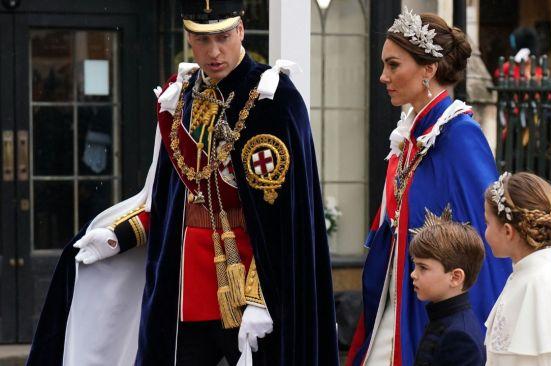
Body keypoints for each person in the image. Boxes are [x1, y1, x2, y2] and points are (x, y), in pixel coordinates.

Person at [27, 1, 339, 365]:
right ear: (189, 37)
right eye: (202, 39)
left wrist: (260, 297)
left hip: (251, 286)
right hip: (185, 284)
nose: (214, 51)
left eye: (222, 37)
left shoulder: (274, 98)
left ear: (241, 30)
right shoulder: (183, 96)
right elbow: (169, 199)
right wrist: (119, 237)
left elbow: (285, 219)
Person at [346, 7, 511, 366]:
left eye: (393, 65)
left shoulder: (459, 135)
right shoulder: (412, 134)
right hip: (397, 299)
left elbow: (486, 239)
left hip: (431, 313)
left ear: (428, 70)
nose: (383, 76)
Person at [483, 172, 551, 365]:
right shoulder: (524, 275)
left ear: (508, 231)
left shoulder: (541, 284)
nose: (484, 231)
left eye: (487, 223)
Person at [409, 206, 487, 366]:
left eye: (423, 268)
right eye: (415, 266)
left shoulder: (460, 337)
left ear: (455, 277)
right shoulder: (442, 320)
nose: (413, 274)